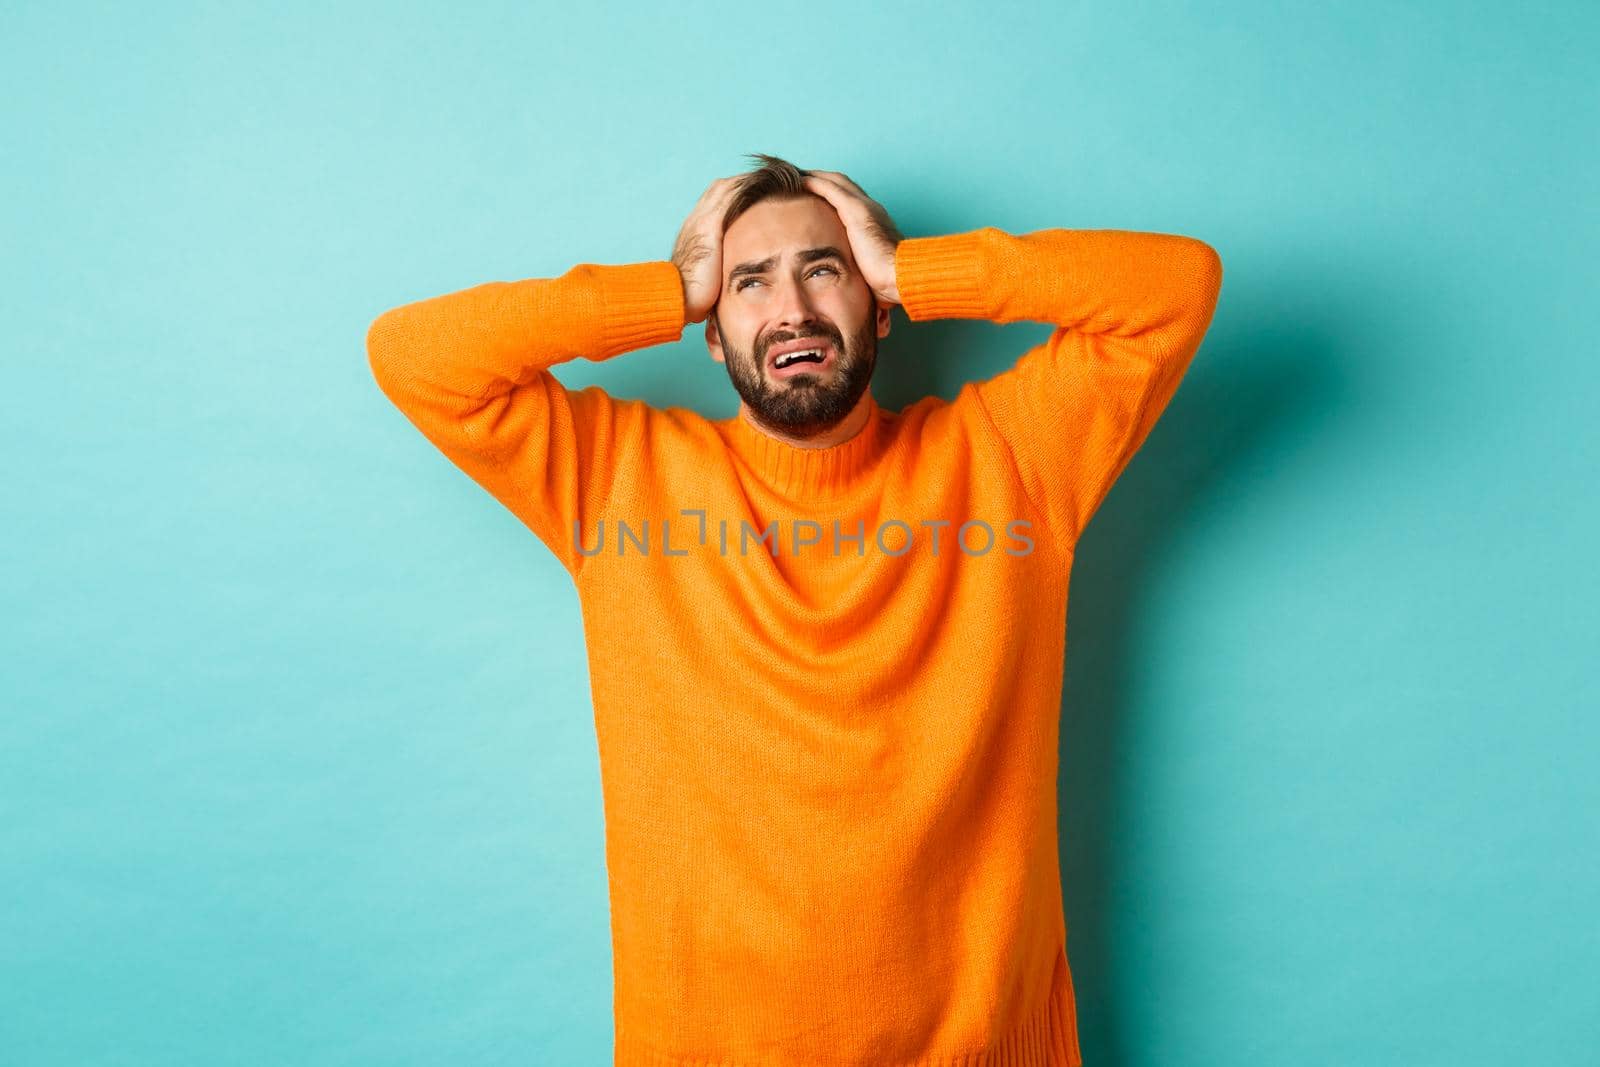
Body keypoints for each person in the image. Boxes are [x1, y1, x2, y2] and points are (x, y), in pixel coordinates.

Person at [366, 152, 1223, 1067]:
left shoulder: (1011, 460)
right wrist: (667, 287)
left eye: (825, 269)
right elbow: (414, 355)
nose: (794, 309)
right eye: (749, 282)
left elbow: (1177, 286)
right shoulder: (618, 479)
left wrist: (915, 266)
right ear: (711, 329)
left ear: (878, 306)